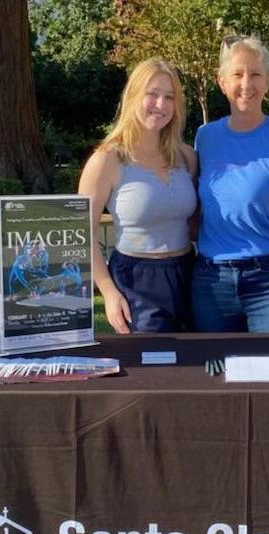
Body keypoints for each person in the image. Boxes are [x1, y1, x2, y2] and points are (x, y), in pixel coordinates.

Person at [192, 35, 269, 333]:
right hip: (211, 281)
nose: (246, 84)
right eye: (237, 74)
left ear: (267, 82)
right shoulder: (205, 138)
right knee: (213, 373)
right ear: (221, 81)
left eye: (255, 74)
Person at [78, 58, 197, 333]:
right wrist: (108, 291)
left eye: (169, 97)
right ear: (133, 97)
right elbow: (83, 233)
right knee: (154, 368)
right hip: (136, 281)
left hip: (189, 274)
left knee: (198, 364)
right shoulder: (106, 159)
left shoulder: (186, 157)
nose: (161, 104)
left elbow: (198, 222)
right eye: (152, 94)